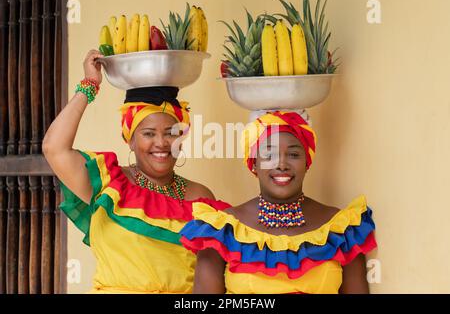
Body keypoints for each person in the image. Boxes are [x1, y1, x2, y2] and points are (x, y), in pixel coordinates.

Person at [43, 49, 229, 293]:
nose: (161, 143)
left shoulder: (200, 197)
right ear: (129, 139)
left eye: (171, 133)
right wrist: (89, 85)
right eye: (148, 134)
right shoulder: (108, 184)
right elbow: (53, 148)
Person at [180, 110, 377, 294]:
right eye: (269, 155)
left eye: (293, 154)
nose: (281, 164)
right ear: (254, 163)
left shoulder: (342, 228)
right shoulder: (221, 229)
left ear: (306, 162)